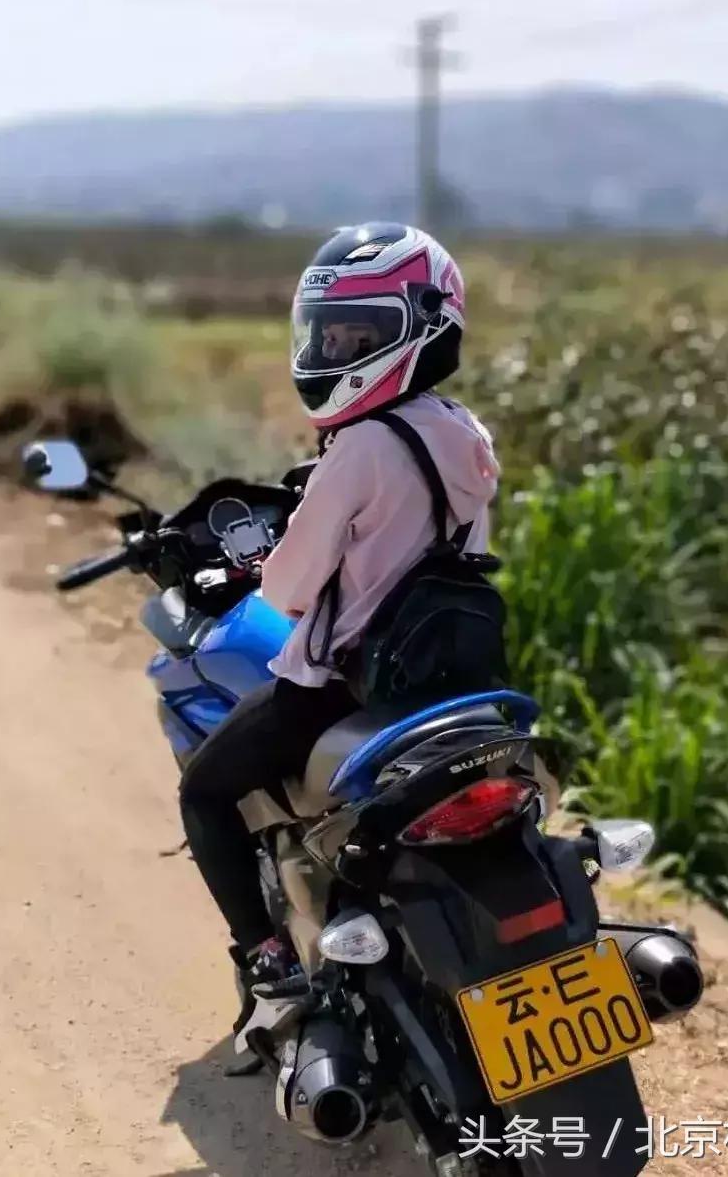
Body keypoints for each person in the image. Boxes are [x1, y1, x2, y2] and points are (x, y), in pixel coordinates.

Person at [177, 221, 500, 1032]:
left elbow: (287, 591)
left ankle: (268, 956)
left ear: (423, 325)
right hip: (454, 678)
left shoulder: (356, 449)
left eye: (360, 333)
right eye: (331, 333)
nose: (336, 349)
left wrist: (269, 564)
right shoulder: (467, 433)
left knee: (205, 790)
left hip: (345, 684)